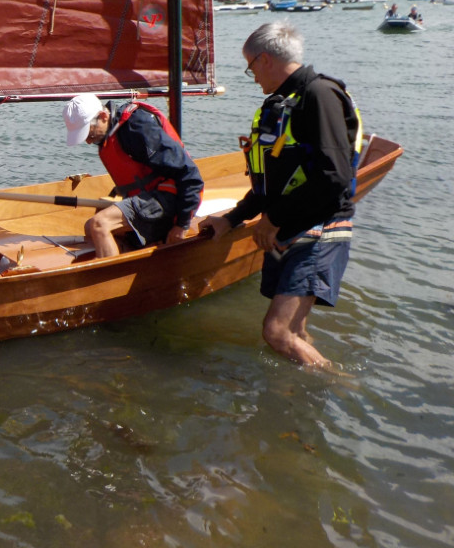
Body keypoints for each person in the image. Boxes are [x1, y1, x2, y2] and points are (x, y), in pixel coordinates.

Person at [199, 22, 362, 368]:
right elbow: (269, 185)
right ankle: (299, 408)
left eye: (250, 66)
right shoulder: (278, 106)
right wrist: (231, 219)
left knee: (277, 333)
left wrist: (273, 219)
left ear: (265, 59)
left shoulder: (318, 95)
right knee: (295, 332)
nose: (252, 76)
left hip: (319, 227)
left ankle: (342, 389)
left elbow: (334, 176)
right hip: (287, 229)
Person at [63, 93, 204, 258]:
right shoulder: (112, 132)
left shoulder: (138, 127)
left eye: (89, 134)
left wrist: (182, 224)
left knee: (99, 224)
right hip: (149, 201)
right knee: (90, 228)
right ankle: (125, 255)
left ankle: (112, 278)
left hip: (169, 200)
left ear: (103, 116)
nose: (88, 141)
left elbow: (190, 175)